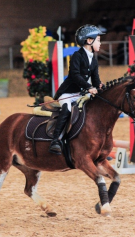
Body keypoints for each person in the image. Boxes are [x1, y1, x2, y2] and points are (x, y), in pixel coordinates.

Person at [49, 24, 104, 155]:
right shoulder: (77, 56)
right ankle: (56, 140)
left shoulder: (94, 60)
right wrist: (89, 87)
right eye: (99, 40)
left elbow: (95, 79)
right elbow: (75, 75)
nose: (100, 43)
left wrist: (99, 86)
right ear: (89, 41)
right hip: (67, 93)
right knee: (67, 110)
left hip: (80, 94)